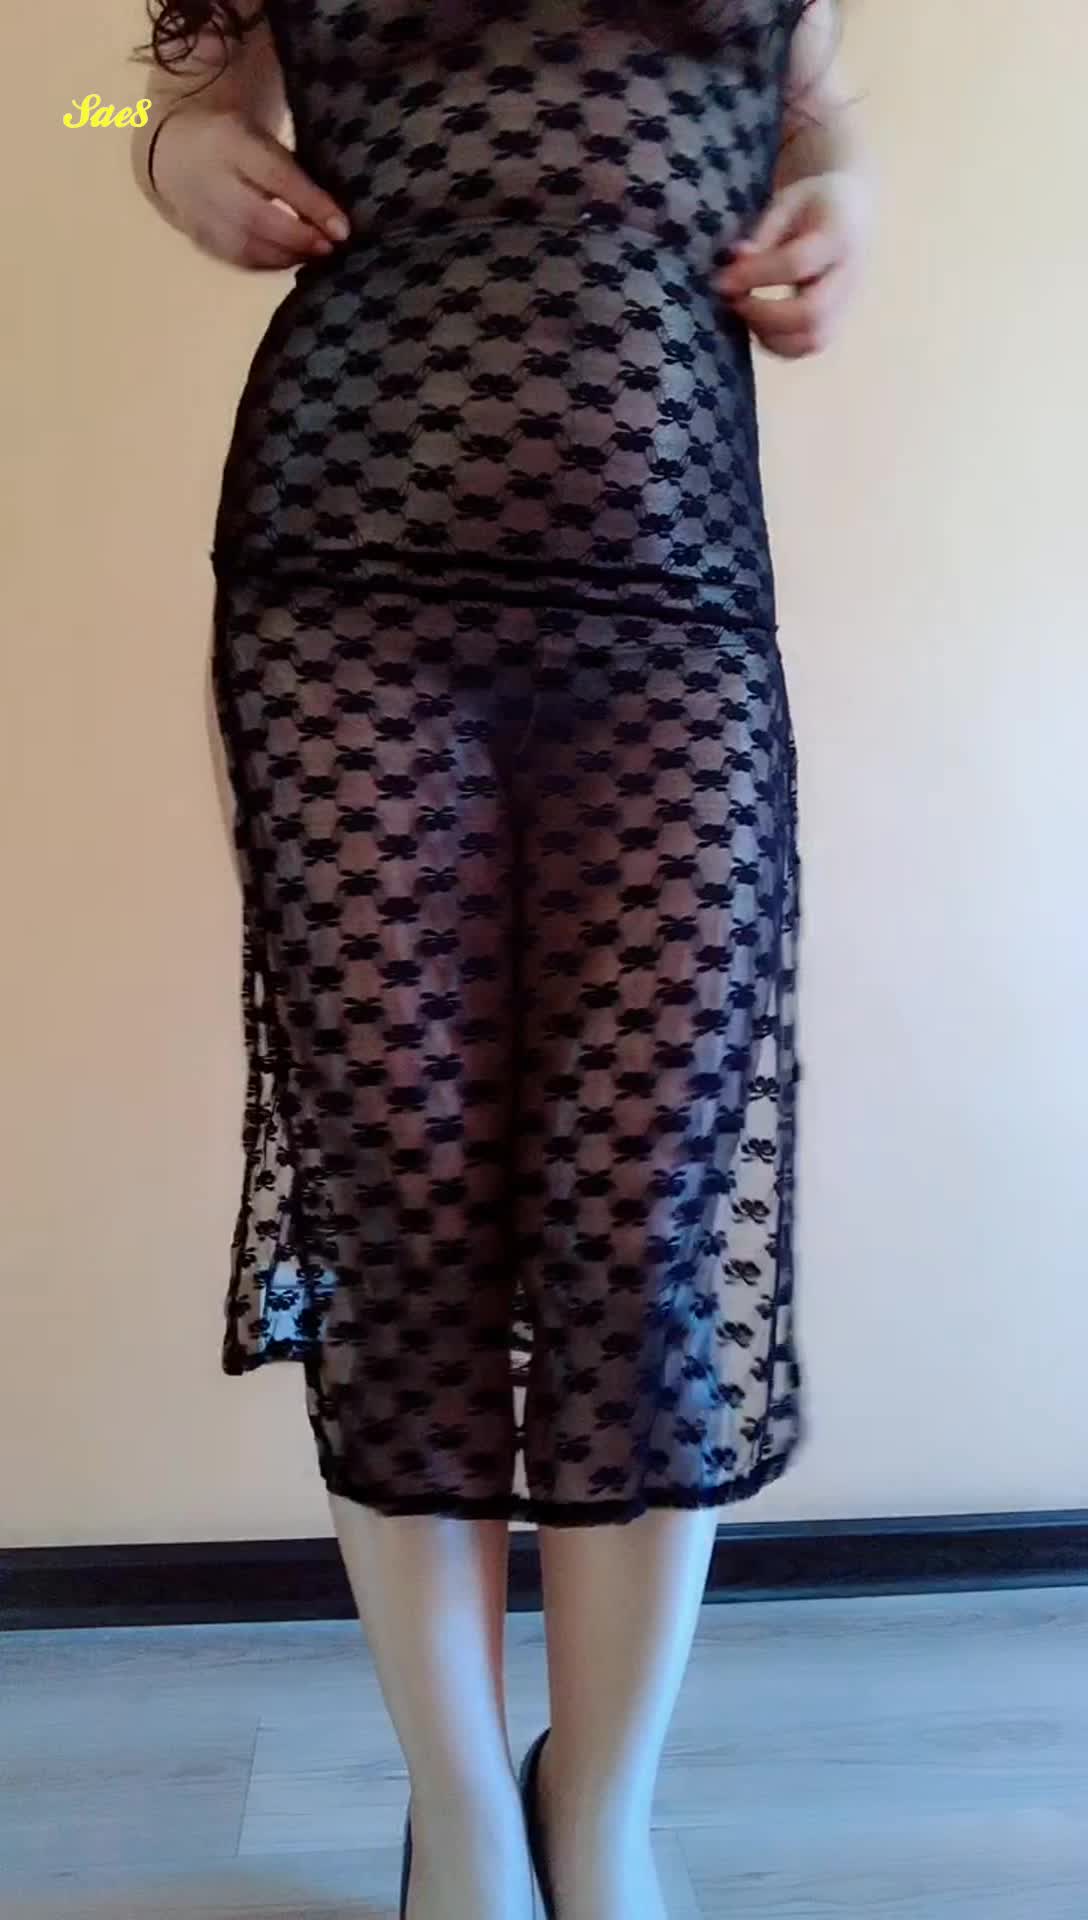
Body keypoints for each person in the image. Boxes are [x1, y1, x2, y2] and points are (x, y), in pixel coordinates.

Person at [130, 3, 868, 1916]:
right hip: (348, 597)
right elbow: (120, 84)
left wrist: (842, 188)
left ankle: (598, 1805)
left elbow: (818, 106)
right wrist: (158, 143)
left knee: (645, 1213)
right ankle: (459, 1813)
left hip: (673, 600)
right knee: (404, 1212)